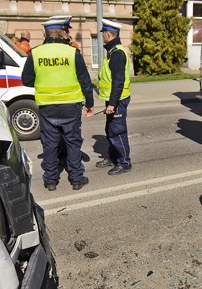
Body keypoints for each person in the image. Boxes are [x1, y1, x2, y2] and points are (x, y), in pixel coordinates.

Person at [22, 18, 94, 191]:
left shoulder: (36, 53)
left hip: (47, 106)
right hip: (70, 106)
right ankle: (76, 179)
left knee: (49, 144)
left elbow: (27, 80)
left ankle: (50, 181)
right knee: (73, 143)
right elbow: (85, 82)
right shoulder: (72, 52)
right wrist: (89, 103)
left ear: (45, 33)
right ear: (62, 32)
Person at [95, 19, 133, 175]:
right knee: (110, 129)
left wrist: (112, 104)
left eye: (104, 33)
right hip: (113, 99)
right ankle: (112, 157)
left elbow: (118, 81)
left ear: (109, 35)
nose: (103, 36)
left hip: (118, 100)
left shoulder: (117, 54)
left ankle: (124, 163)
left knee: (117, 131)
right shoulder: (112, 52)